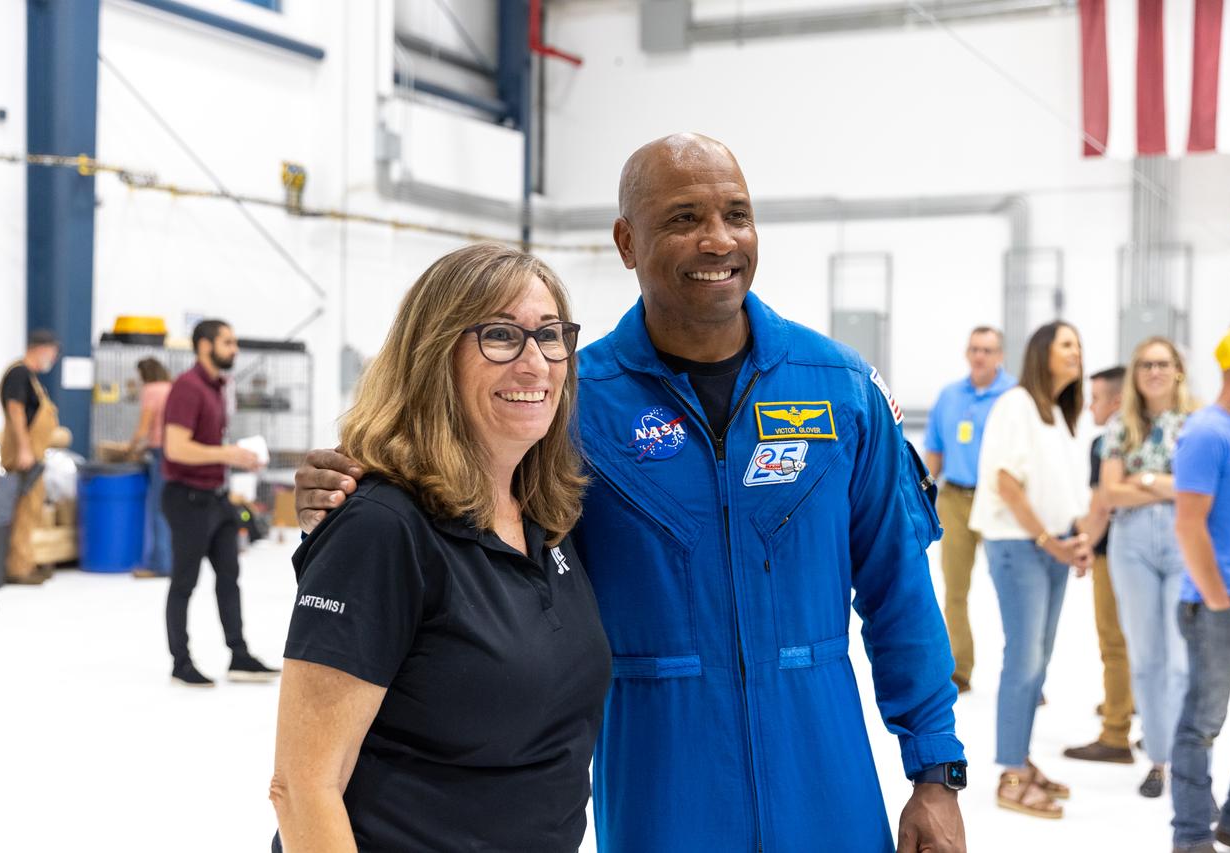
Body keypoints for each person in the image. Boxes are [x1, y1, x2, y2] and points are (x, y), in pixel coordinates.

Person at [296, 134, 967, 853]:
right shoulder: (564, 402)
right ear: (627, 240)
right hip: (658, 790)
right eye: (683, 219)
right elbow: (457, 538)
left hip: (827, 783)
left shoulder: (839, 388)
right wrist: (350, 497)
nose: (718, 240)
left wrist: (934, 770)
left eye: (737, 215)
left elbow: (900, 588)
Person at [269, 244, 610, 852]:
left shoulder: (547, 518)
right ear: (434, 357)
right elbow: (302, 787)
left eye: (551, 335)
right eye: (501, 336)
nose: (535, 363)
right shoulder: (383, 526)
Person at [969, 321, 1096, 818]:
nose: (1077, 352)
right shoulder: (1016, 405)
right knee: (1023, 658)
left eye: (1079, 344)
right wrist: (1050, 541)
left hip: (1051, 548)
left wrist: (1077, 539)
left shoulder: (1061, 416)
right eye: (1068, 344)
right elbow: (1005, 482)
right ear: (1043, 353)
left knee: (1038, 661)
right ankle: (1010, 773)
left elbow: (1062, 490)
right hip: (1018, 547)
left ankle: (1021, 756)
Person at [1098, 339, 1197, 799]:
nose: (1154, 371)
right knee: (1147, 659)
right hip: (1131, 545)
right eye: (1146, 364)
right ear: (1136, 373)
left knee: (1181, 662)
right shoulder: (1121, 426)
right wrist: (1168, 487)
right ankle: (1158, 759)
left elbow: (1200, 489)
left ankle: (1186, 760)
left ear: (1178, 370)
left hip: (1184, 542)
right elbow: (1111, 494)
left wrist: (1148, 479)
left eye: (1163, 363)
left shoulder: (1199, 423)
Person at [162, 319, 275, 687]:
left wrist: (238, 457)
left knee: (230, 578)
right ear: (204, 346)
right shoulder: (188, 387)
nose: (235, 349)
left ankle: (239, 655)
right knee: (184, 583)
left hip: (217, 497)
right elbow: (175, 448)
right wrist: (226, 454)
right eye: (228, 342)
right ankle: (181, 663)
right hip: (188, 499)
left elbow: (211, 445)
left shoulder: (220, 387)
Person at [1169, 326, 1230, 853]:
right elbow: (1189, 525)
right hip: (1218, 604)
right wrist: (1217, 598)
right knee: (1203, 724)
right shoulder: (1207, 432)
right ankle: (1191, 835)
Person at [923, 325, 1017, 693]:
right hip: (955, 500)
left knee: (1011, 589)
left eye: (988, 350)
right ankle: (960, 669)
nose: (980, 356)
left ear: (1000, 356)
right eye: (975, 349)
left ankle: (1023, 676)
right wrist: (922, 497)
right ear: (967, 353)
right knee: (955, 590)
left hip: (1000, 502)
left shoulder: (1014, 396)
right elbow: (934, 453)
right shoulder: (949, 397)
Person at [1062, 366, 1137, 766]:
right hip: (1152, 554)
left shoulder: (1105, 442)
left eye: (1095, 398)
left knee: (1113, 642)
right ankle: (1126, 705)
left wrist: (1081, 545)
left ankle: (1115, 732)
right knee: (1142, 642)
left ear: (1117, 401)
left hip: (1112, 554)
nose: (1090, 406)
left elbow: (1101, 508)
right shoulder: (1153, 435)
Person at [0, 329, 61, 585]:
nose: (53, 360)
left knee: (31, 510)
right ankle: (17, 568)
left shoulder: (30, 377)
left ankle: (25, 561)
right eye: (53, 354)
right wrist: (25, 448)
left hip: (34, 453)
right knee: (23, 510)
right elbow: (16, 411)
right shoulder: (19, 373)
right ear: (41, 349)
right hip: (23, 453)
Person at [128, 358, 172, 579]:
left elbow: (144, 427)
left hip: (160, 454)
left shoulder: (151, 390)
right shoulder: (171, 388)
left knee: (157, 509)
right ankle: (170, 561)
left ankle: (160, 565)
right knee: (170, 508)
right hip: (175, 452)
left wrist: (130, 448)